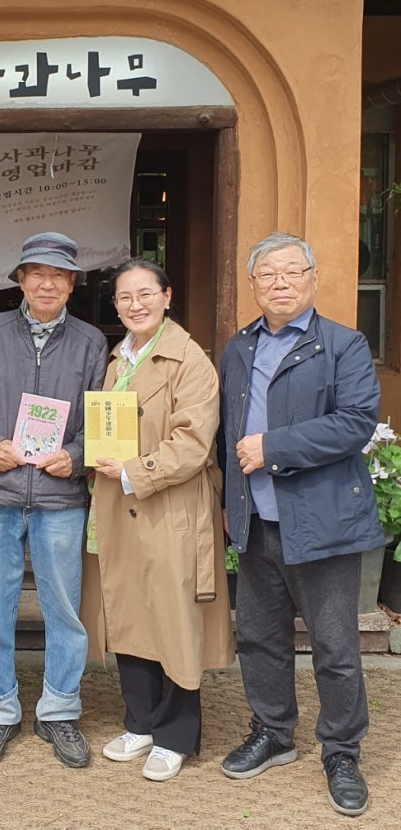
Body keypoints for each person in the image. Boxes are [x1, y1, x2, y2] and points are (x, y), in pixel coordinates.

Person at [219, 231, 384, 818]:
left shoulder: (343, 344)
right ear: (253, 285)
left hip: (323, 522)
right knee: (258, 637)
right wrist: (228, 499)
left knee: (334, 645)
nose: (281, 283)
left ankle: (341, 752)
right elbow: (226, 431)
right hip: (256, 521)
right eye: (268, 274)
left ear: (313, 279)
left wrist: (273, 447)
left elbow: (356, 422)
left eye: (292, 272)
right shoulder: (238, 347)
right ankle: (273, 731)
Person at [80, 259, 234, 782]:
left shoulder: (189, 360)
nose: (135, 305)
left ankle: (175, 735)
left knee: (172, 618)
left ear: (167, 297)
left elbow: (193, 443)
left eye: (146, 293)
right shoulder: (118, 358)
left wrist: (133, 471)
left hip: (168, 506)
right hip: (120, 504)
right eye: (125, 297)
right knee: (129, 612)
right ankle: (141, 722)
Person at [0, 232, 108, 769]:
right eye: (38, 274)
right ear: (21, 280)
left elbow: (102, 418)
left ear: (72, 285)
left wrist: (76, 455)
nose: (47, 284)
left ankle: (59, 709)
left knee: (64, 610)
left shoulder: (91, 342)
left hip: (61, 496)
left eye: (59, 276)